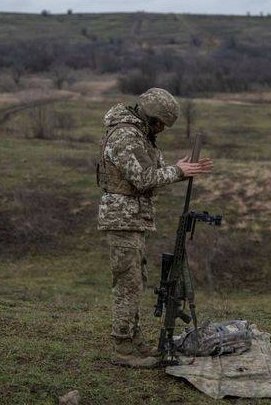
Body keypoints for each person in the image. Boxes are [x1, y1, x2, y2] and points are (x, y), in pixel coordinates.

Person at [97, 87, 213, 367]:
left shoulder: (139, 135)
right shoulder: (126, 135)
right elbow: (144, 178)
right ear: (151, 117)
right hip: (122, 219)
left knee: (135, 282)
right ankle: (123, 348)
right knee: (127, 284)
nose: (162, 129)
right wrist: (178, 172)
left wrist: (178, 168)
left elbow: (153, 169)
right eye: (161, 123)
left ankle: (134, 343)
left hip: (132, 219)